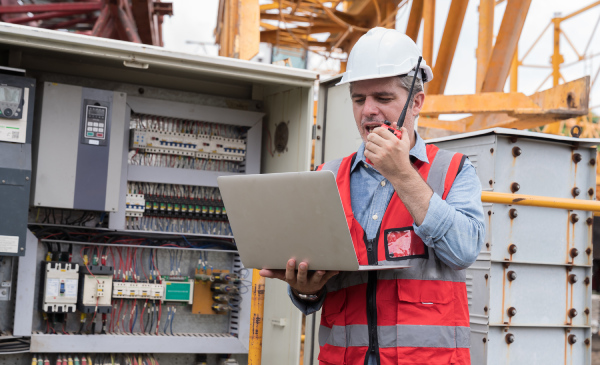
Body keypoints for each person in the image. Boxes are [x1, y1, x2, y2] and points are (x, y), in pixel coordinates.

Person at [260, 27, 485, 365]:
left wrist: (401, 173)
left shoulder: (451, 170)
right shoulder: (327, 177)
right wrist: (306, 288)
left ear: (416, 103)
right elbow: (315, 288)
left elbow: (465, 250)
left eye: (382, 98)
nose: (368, 111)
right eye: (358, 99)